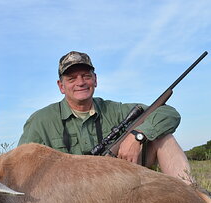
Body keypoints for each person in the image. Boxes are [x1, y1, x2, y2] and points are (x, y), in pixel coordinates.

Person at [18, 51, 194, 185]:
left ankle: (194, 200)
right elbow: (21, 167)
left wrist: (138, 135)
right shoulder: (40, 121)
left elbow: (168, 113)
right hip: (69, 199)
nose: (80, 82)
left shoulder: (114, 109)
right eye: (71, 78)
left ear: (95, 80)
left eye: (86, 76)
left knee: (164, 137)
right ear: (61, 86)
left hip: (119, 184)